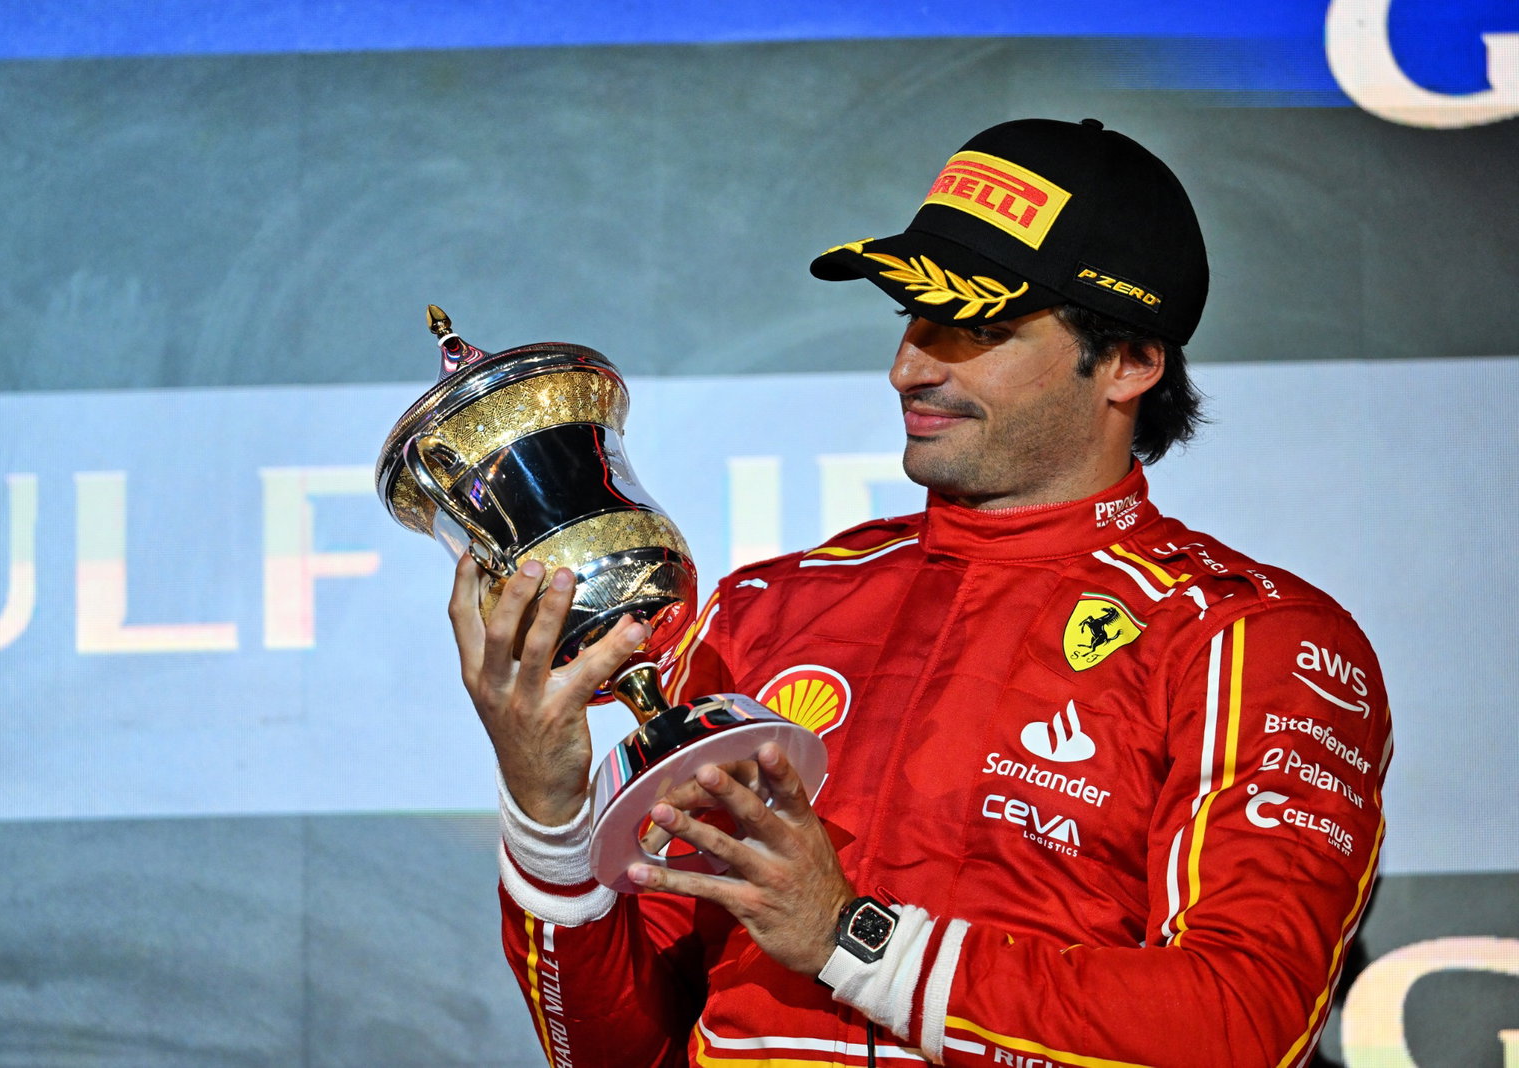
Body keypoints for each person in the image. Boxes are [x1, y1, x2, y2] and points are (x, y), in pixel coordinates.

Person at [448, 118, 1392, 1068]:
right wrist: (549, 809)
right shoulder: (764, 612)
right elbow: (614, 1051)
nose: (910, 365)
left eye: (974, 326)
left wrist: (849, 935)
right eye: (909, 315)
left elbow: (1238, 1026)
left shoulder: (1248, 639)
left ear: (1130, 362)